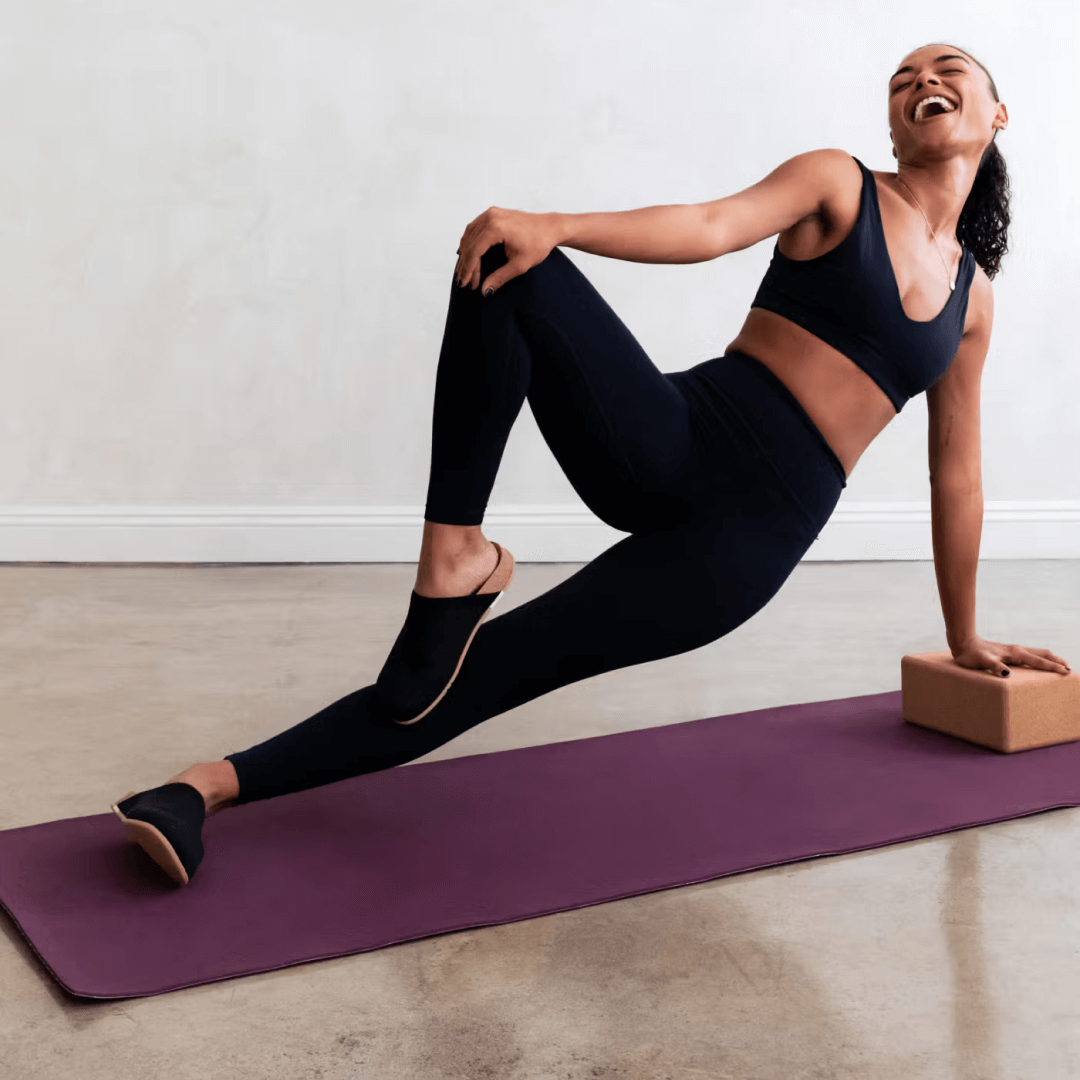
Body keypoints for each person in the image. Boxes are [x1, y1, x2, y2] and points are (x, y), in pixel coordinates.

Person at [112, 42, 1071, 886]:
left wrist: (965, 638)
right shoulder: (838, 182)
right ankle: (455, 556)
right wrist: (560, 224)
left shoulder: (972, 302)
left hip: (746, 543)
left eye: (948, 70)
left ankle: (200, 789)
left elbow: (959, 476)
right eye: (903, 78)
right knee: (510, 258)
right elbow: (705, 225)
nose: (921, 81)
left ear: (996, 113)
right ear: (893, 121)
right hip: (680, 433)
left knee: (478, 677)